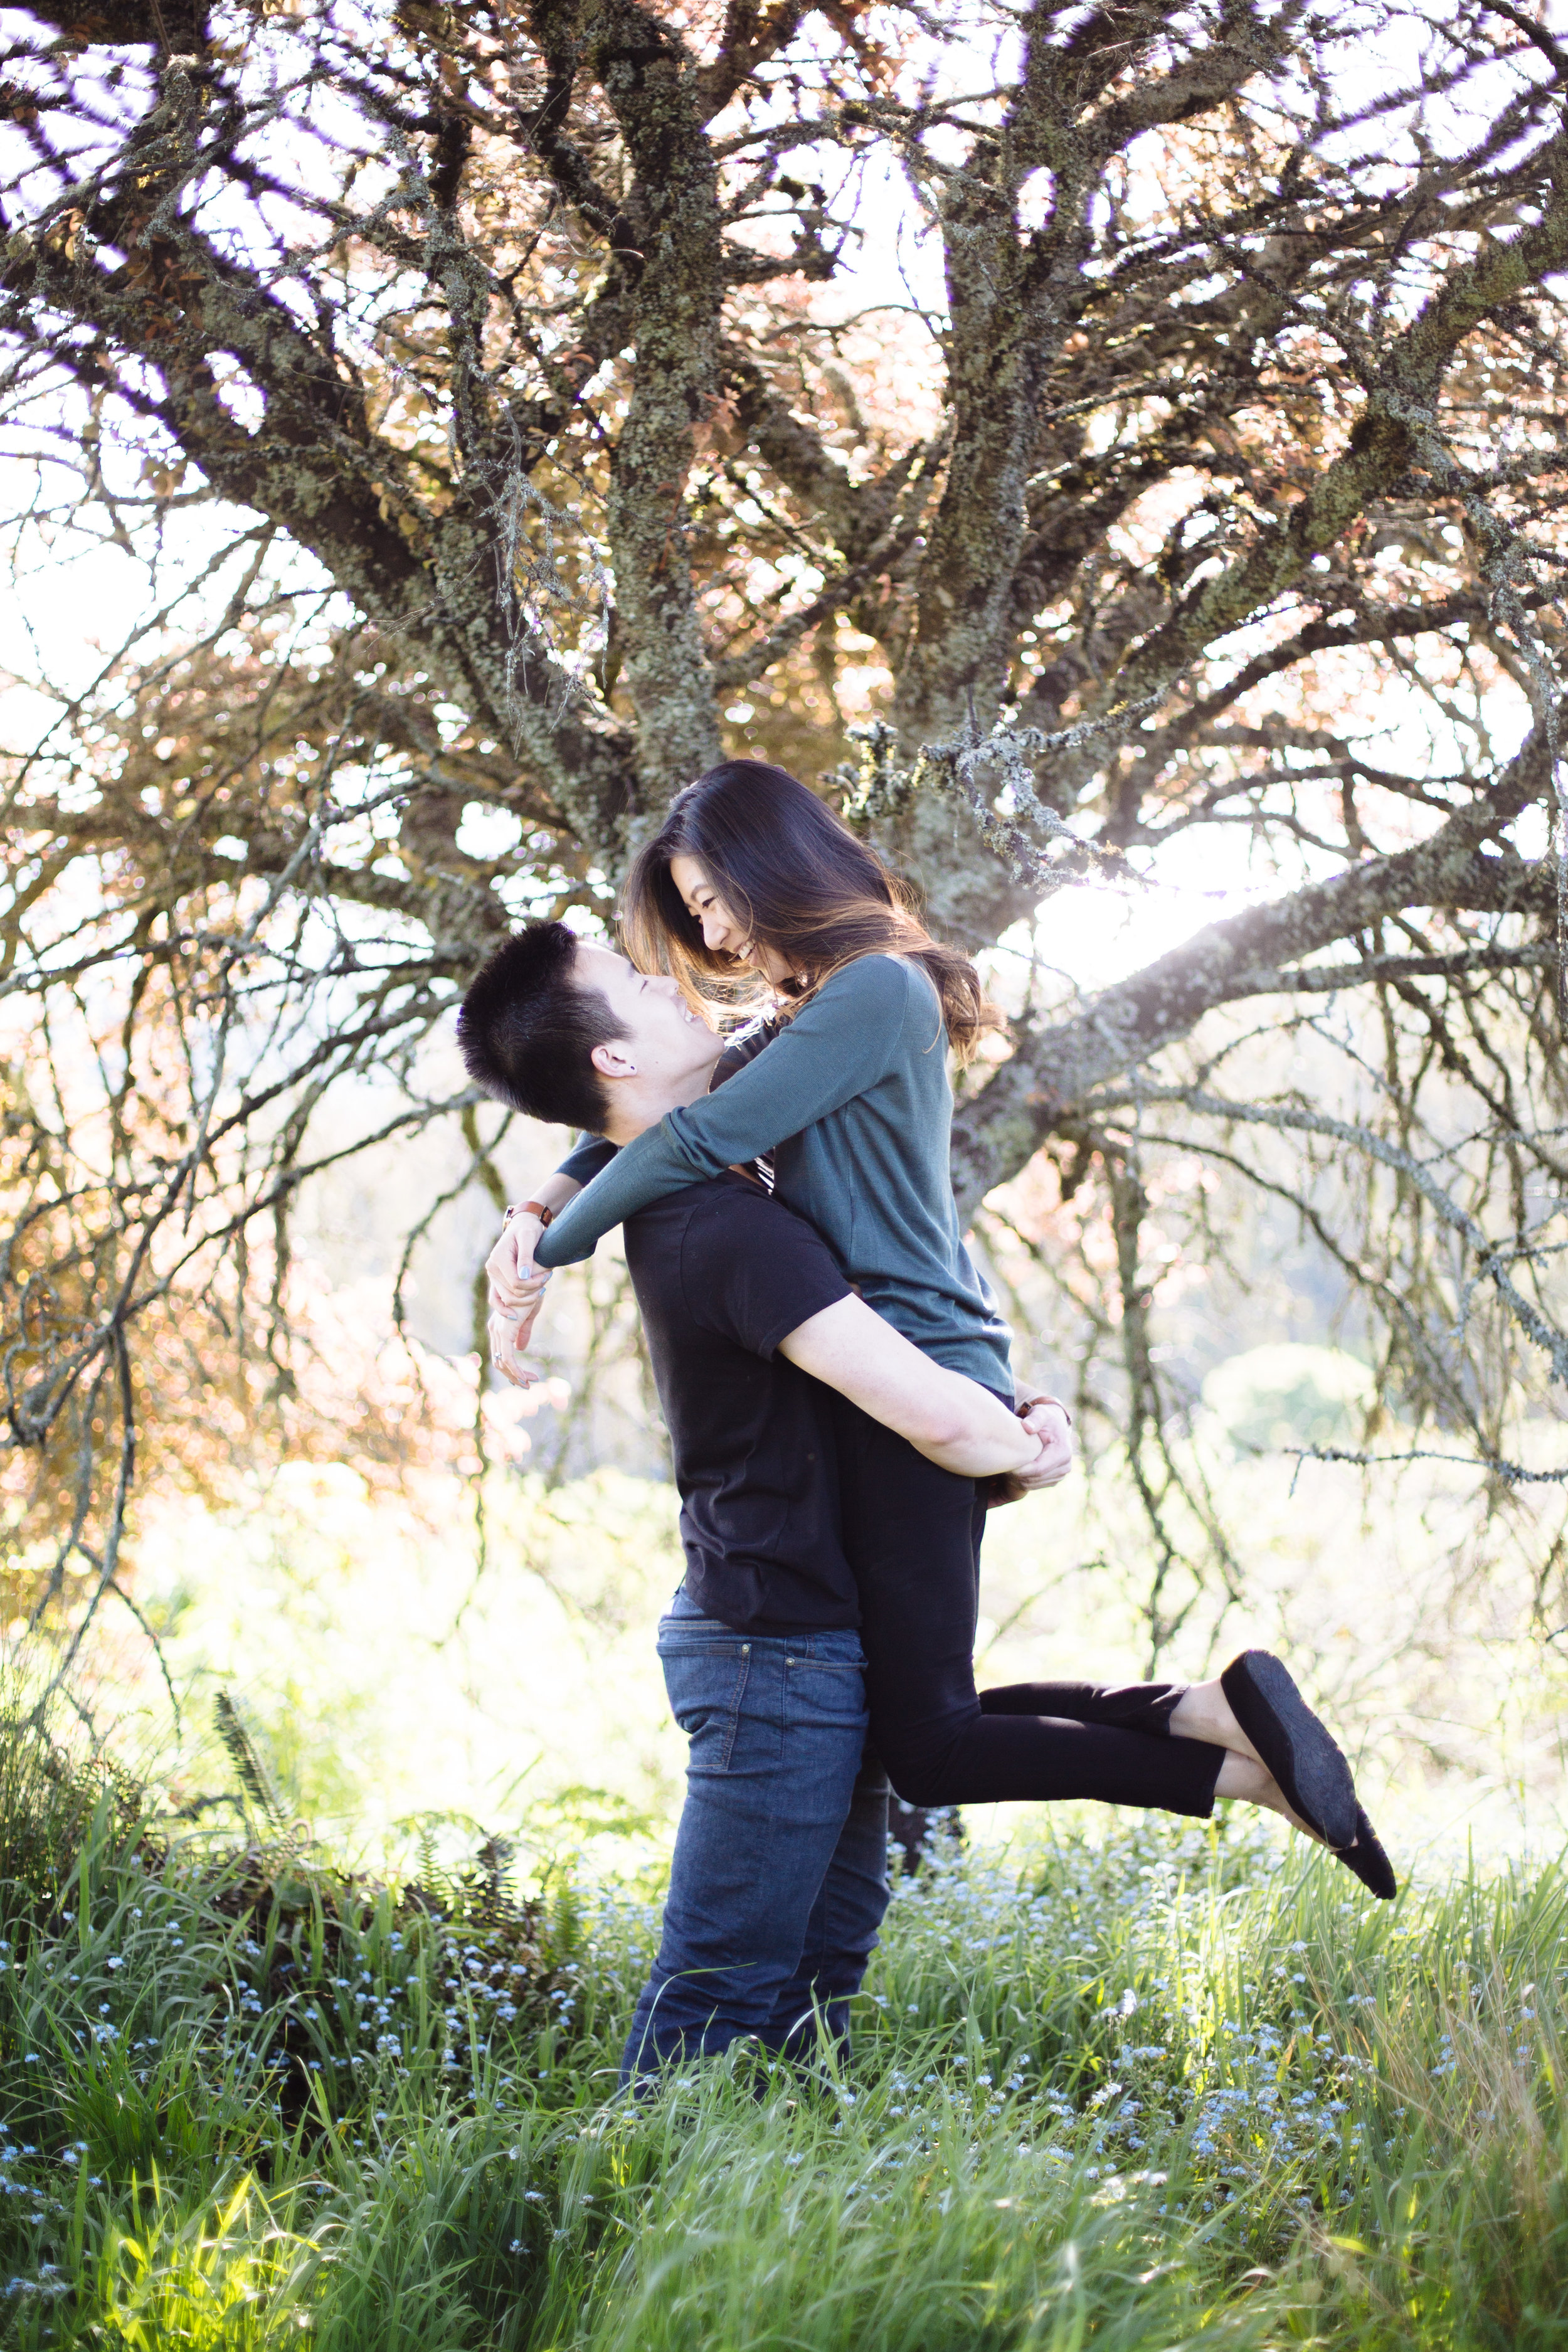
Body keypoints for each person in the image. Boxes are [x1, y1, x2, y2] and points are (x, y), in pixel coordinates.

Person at [457, 931, 1391, 2084]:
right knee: (721, 1996)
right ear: (612, 1051)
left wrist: (542, 1205)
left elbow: (869, 1336)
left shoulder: (723, 1177)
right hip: (771, 1654)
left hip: (812, 1638)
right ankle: (645, 2216)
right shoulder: (722, 1226)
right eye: (645, 984)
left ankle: (788, 2221)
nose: (679, 979)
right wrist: (1025, 1443)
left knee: (815, 1986)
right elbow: (924, 1410)